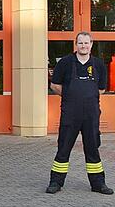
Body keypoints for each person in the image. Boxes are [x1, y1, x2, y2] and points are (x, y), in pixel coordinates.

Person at [46, 32, 112, 195]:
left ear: (91, 44)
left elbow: (101, 89)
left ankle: (98, 184)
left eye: (86, 43)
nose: (84, 46)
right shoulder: (66, 63)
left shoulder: (98, 64)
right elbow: (55, 85)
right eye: (80, 43)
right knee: (64, 147)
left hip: (91, 114)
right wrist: (70, 95)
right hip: (70, 113)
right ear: (76, 44)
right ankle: (56, 182)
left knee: (92, 148)